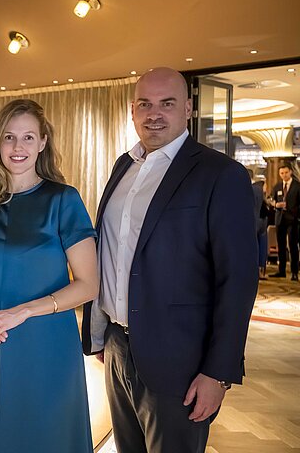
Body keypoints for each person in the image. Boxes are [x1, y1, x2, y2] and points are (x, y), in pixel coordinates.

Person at [82, 67, 258, 453]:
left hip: (180, 360)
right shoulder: (122, 167)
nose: (154, 113)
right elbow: (111, 253)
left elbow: (238, 281)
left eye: (167, 103)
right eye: (145, 104)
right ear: (132, 111)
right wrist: (99, 333)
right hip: (117, 347)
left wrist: (218, 372)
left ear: (188, 109)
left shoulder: (221, 175)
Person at [0, 99, 98, 453]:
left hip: (44, 342)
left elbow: (88, 284)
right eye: (9, 137)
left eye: (28, 137)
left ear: (43, 142)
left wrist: (23, 312)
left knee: (43, 437)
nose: (18, 148)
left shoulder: (63, 200)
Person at [269, 165, 300, 279]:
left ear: (290, 172)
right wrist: (275, 204)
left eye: (286, 172)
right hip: (280, 219)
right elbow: (271, 199)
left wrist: (296, 213)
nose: (284, 175)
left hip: (293, 220)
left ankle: (294, 272)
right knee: (280, 246)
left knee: (292, 246)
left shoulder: (297, 186)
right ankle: (281, 270)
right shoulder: (277, 186)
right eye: (281, 173)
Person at [250, 169, 268, 279]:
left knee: (257, 246)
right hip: (261, 222)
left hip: (257, 222)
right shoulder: (258, 189)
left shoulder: (254, 188)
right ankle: (261, 271)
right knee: (261, 246)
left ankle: (258, 271)